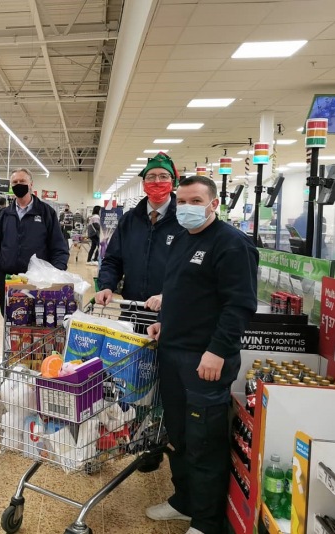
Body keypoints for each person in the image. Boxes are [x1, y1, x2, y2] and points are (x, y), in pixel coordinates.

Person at [146, 175, 258, 534]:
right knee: (178, 434)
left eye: (195, 201)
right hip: (173, 352)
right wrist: (165, 322)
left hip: (206, 361)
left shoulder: (232, 244)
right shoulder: (180, 238)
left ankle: (208, 521)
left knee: (204, 441)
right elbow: (179, 290)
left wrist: (218, 351)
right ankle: (184, 501)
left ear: (214, 204)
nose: (186, 208)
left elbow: (238, 306)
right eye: (181, 201)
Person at [0, 168, 69, 392]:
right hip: (10, 285)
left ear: (31, 184)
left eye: (22, 181)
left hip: (38, 286)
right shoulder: (5, 215)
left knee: (38, 331)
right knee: (12, 332)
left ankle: (39, 378)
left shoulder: (46, 212)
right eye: (14, 182)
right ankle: (9, 377)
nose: (18, 184)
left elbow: (59, 249)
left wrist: (55, 277)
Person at [95, 152, 184, 309]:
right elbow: (113, 260)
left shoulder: (184, 220)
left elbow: (194, 270)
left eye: (163, 176)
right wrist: (106, 286)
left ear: (173, 182)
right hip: (132, 308)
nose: (157, 181)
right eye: (151, 177)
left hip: (173, 311)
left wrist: (168, 294)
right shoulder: (129, 220)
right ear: (144, 184)